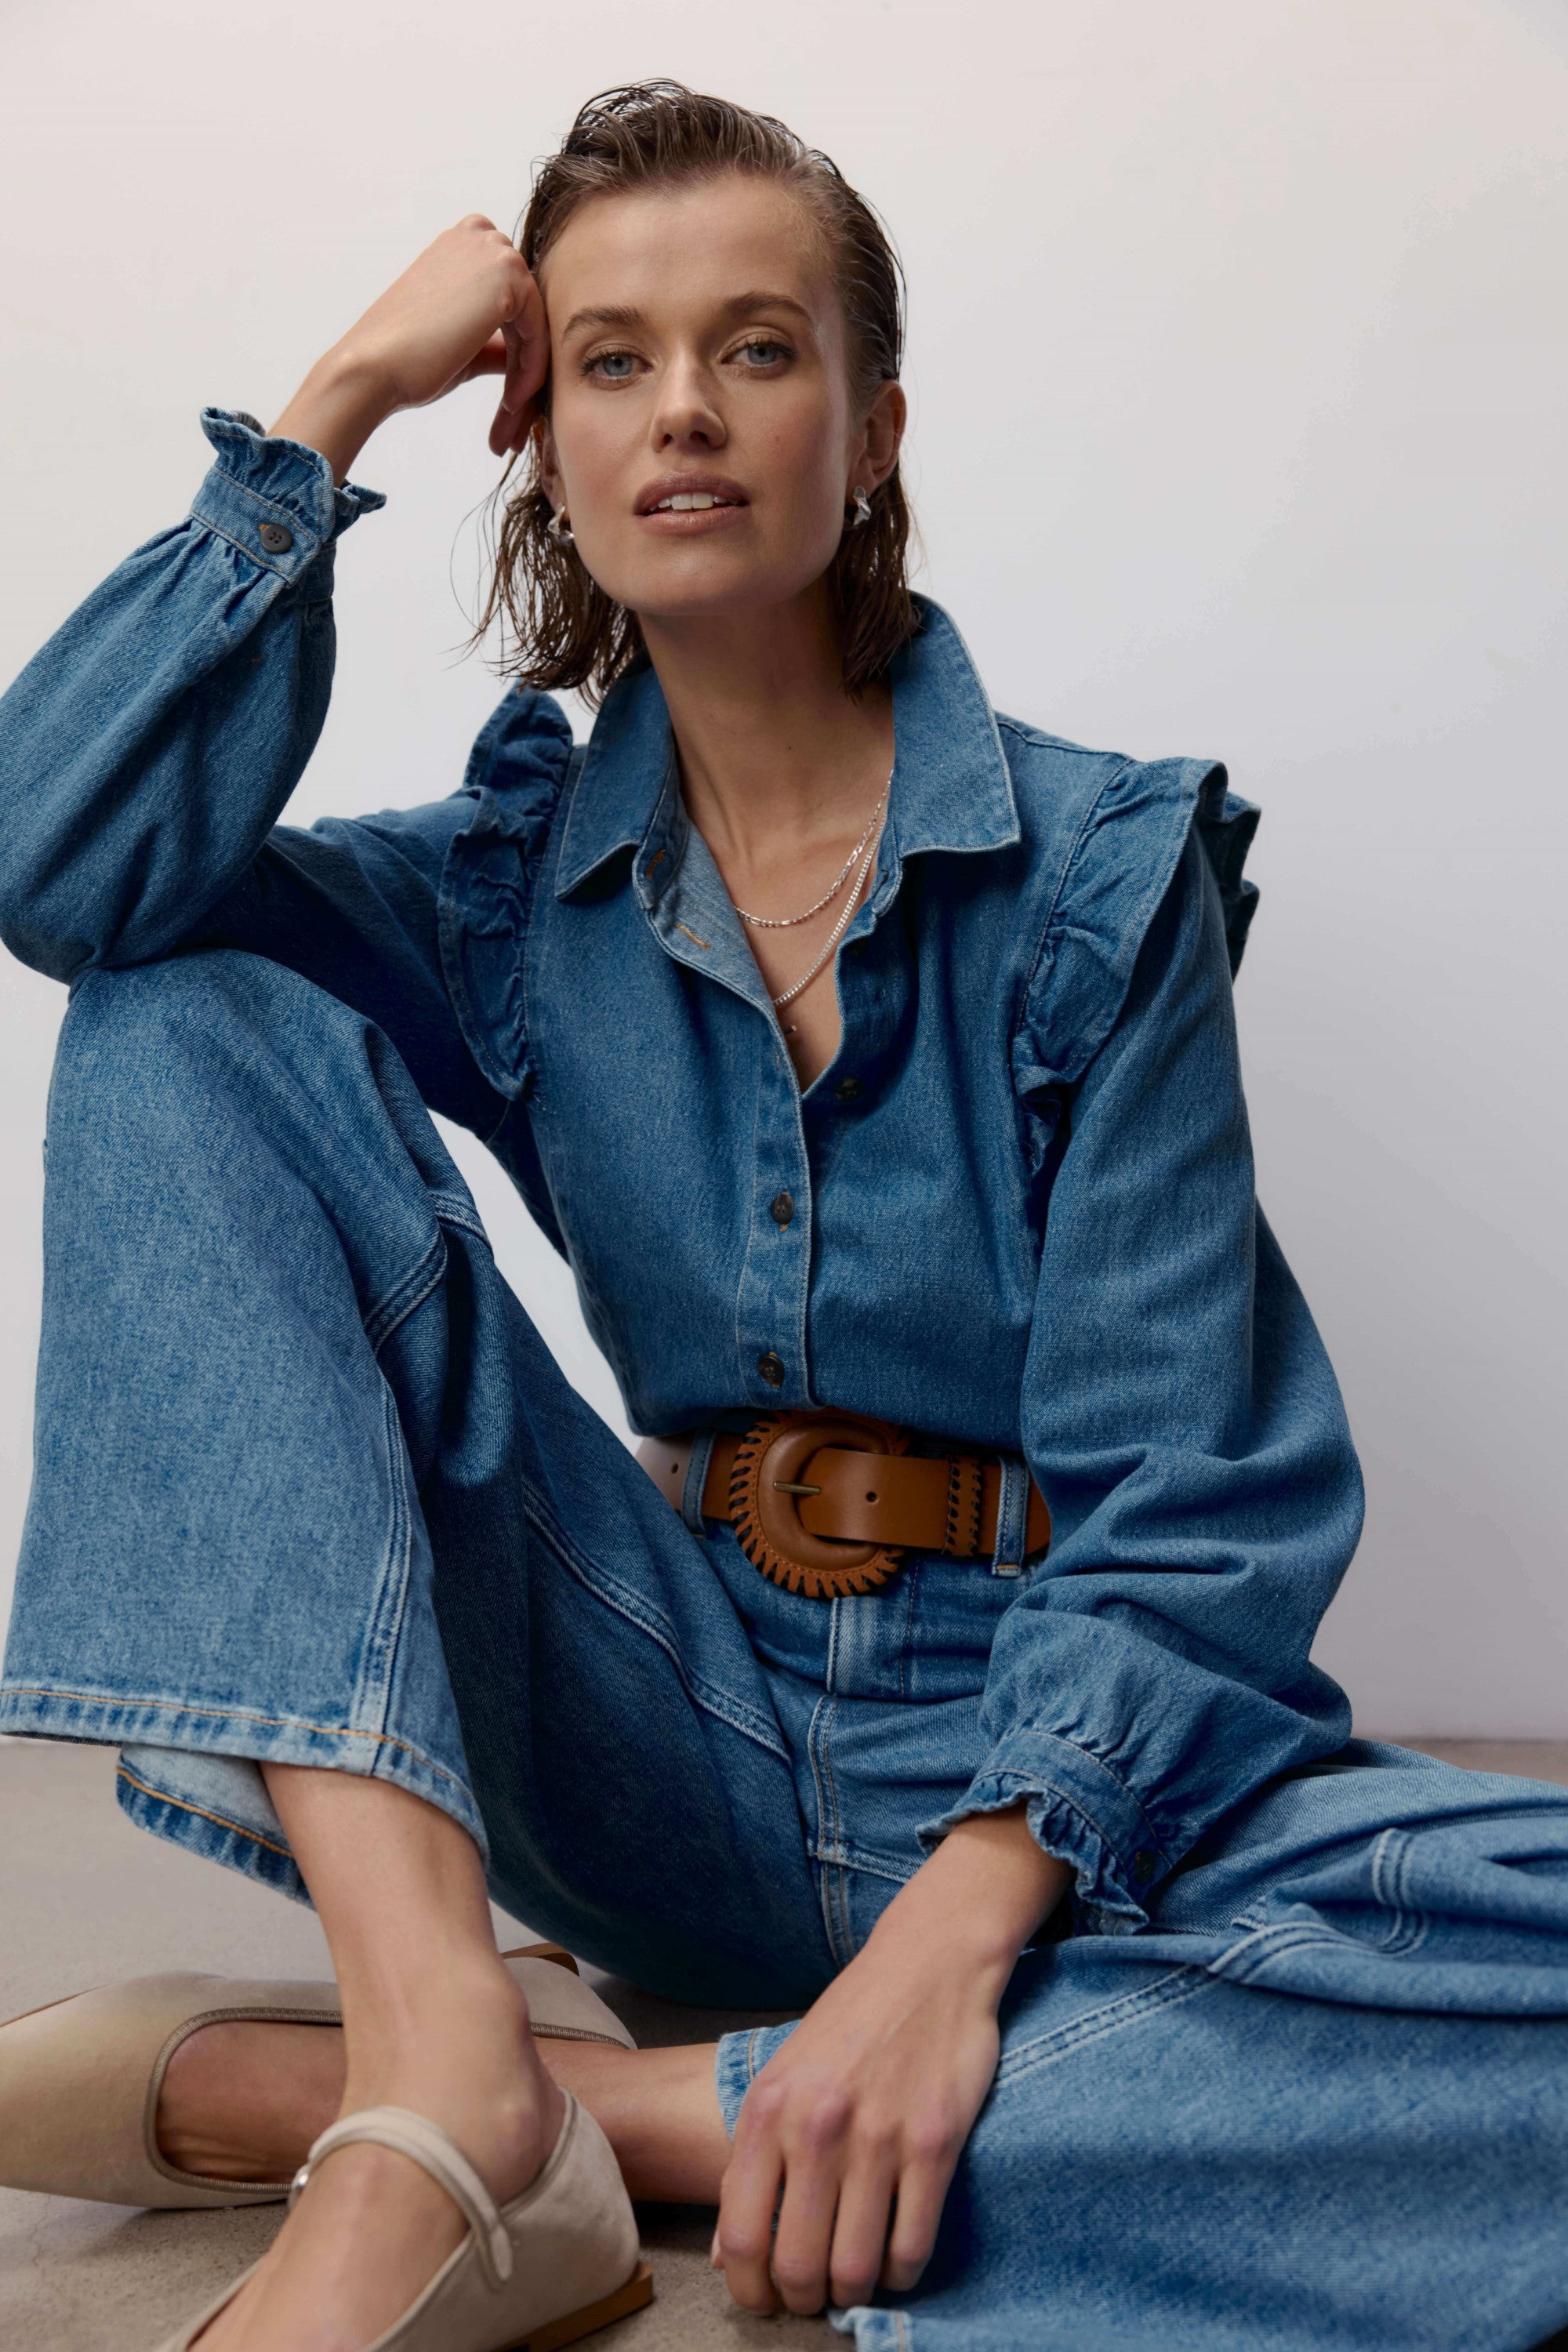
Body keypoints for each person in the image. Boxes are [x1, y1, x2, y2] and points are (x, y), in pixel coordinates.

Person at [0, 78, 1565, 2352]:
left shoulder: (1102, 882)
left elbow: (1194, 1509)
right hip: (666, 1724)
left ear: (873, 419)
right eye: (613, 359)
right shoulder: (514, 895)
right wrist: (329, 415)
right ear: (540, 432)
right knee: (175, 1021)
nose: (688, 414)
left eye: (760, 347)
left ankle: (605, 2118)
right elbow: (66, 881)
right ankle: (441, 2046)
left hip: (1048, 1797)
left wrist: (950, 1944)